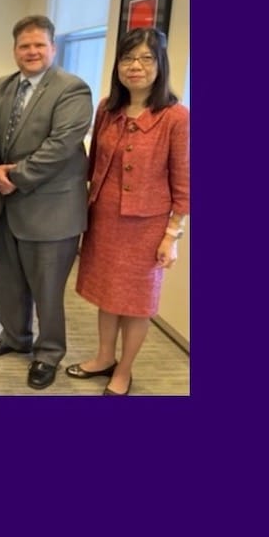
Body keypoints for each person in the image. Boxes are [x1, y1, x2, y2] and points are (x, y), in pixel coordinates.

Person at [68, 28, 189, 396]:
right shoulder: (107, 108)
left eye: (145, 58)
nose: (135, 66)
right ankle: (104, 356)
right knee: (108, 296)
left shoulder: (175, 117)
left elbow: (184, 183)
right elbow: (89, 166)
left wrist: (172, 236)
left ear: (160, 64)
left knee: (137, 304)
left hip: (147, 227)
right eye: (127, 58)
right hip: (103, 220)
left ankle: (124, 369)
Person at [0, 16, 92, 390]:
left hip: (51, 209)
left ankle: (48, 352)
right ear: (15, 50)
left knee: (47, 289)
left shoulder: (72, 89)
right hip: (6, 205)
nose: (31, 52)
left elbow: (60, 146)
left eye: (39, 45)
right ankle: (14, 337)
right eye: (24, 46)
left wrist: (14, 178)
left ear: (53, 48)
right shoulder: (0, 87)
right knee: (8, 280)